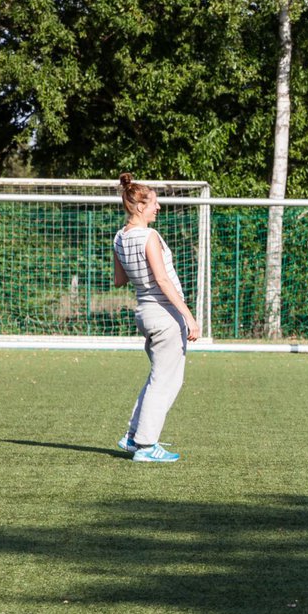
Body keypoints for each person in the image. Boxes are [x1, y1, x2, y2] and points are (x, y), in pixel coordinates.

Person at [112, 173, 200, 462]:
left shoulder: (120, 237)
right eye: (153, 203)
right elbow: (162, 280)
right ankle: (146, 446)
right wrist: (188, 316)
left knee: (157, 378)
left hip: (144, 313)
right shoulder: (149, 236)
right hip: (164, 315)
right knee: (166, 382)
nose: (158, 207)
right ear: (139, 207)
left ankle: (133, 435)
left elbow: (119, 280)